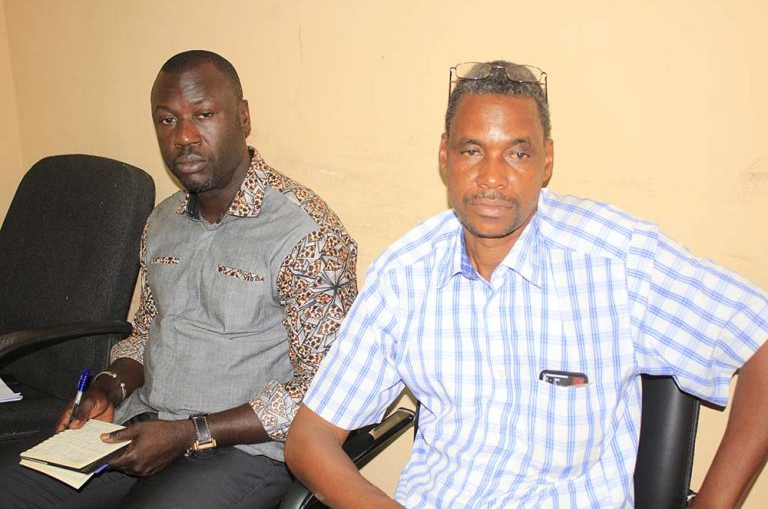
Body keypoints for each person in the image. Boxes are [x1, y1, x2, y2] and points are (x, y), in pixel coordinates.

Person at [284, 61, 768, 508]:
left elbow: (760, 340)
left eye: (517, 153)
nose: (492, 177)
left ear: (546, 161)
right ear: (445, 155)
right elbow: (310, 437)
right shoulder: (405, 275)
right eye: (472, 150)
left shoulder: (615, 260)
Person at [0, 50, 357, 508]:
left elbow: (327, 387)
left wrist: (190, 433)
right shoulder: (162, 221)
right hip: (143, 423)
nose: (183, 136)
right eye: (167, 120)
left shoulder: (306, 233)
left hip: (241, 449)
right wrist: (109, 387)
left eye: (203, 115)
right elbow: (146, 331)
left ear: (243, 117)